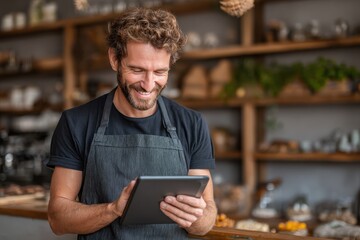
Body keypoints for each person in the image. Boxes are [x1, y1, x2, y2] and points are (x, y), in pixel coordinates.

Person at [47, 7, 217, 240]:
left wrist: (197, 219)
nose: (148, 85)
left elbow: (208, 214)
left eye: (160, 72)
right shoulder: (76, 122)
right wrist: (114, 209)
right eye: (137, 70)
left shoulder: (192, 123)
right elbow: (58, 218)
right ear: (115, 59)